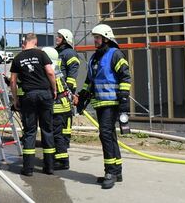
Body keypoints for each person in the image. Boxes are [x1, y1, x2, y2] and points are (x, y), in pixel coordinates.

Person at [77, 24, 131, 189]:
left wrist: (123, 100)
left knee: (105, 135)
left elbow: (125, 78)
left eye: (98, 37)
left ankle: (110, 172)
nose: (95, 40)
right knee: (109, 135)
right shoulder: (94, 58)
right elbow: (89, 81)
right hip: (99, 103)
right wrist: (83, 96)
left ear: (106, 38)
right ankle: (117, 170)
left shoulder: (115, 55)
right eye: (95, 37)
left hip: (112, 103)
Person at [10, 33, 57, 176]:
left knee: (30, 131)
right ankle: (49, 167)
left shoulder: (18, 58)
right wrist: (54, 89)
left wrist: (15, 99)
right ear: (35, 42)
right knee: (47, 129)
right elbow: (50, 72)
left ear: (25, 42)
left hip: (29, 96)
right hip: (44, 94)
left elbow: (12, 82)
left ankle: (28, 168)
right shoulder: (41, 54)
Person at [42, 46, 74, 171]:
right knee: (58, 134)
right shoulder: (56, 68)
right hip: (63, 104)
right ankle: (59, 158)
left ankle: (62, 161)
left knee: (57, 134)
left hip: (58, 106)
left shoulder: (51, 71)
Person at [54, 28, 80, 170]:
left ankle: (62, 160)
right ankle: (60, 157)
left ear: (65, 38)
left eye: (59, 37)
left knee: (61, 129)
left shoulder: (69, 53)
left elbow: (71, 76)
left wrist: (71, 93)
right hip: (57, 94)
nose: (56, 38)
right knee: (58, 129)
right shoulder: (58, 53)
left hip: (64, 95)